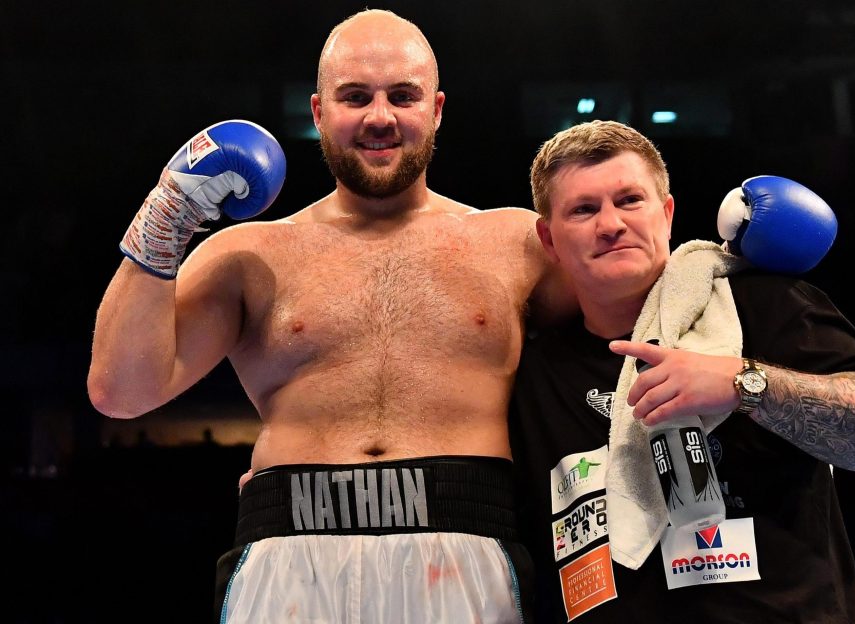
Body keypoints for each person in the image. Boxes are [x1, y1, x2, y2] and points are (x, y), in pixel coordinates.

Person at [86, 9, 575, 623]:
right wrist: (166, 215)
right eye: (355, 97)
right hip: (288, 552)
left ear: (437, 109)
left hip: (463, 546)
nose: (379, 116)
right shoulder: (250, 255)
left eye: (402, 96)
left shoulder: (517, 243)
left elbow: (629, 313)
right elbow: (120, 391)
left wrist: (725, 260)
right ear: (318, 112)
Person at [508, 120, 855, 623]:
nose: (611, 223)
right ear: (548, 239)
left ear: (667, 213)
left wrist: (744, 384)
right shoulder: (532, 378)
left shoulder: (759, 306)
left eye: (630, 200)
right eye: (584, 209)